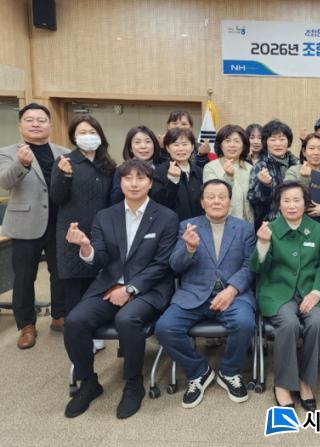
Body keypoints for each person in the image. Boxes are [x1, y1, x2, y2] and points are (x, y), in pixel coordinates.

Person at [63, 159, 178, 419]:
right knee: (75, 321)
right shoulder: (105, 216)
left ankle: (133, 383)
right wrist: (86, 247)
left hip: (149, 289)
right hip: (109, 286)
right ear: (120, 182)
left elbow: (162, 264)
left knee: (127, 319)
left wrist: (131, 289)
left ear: (150, 183)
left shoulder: (166, 217)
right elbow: (100, 259)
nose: (134, 183)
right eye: (128, 178)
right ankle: (88, 382)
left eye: (140, 178)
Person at [155, 179, 256, 408]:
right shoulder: (187, 226)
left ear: (230, 202)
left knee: (244, 323)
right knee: (165, 328)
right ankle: (198, 371)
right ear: (202, 202)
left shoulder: (245, 228)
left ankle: (229, 371)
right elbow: (175, 266)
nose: (216, 201)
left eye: (222, 197)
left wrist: (232, 289)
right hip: (194, 293)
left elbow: (250, 265)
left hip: (233, 294)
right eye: (211, 197)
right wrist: (189, 249)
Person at [250, 181, 320, 411]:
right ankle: (283, 384)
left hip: (311, 291)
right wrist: (262, 244)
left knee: (318, 321)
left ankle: (305, 381)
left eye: (297, 200)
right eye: (286, 201)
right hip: (277, 292)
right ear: (279, 204)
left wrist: (316, 292)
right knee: (289, 323)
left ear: (305, 204)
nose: (292, 205)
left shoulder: (317, 229)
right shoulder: (270, 229)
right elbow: (256, 268)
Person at [0, 103, 68, 348]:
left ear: (50, 125)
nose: (36, 124)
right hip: (25, 223)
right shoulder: (7, 153)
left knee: (60, 274)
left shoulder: (64, 152)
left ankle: (59, 316)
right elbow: (4, 182)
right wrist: (21, 164)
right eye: (29, 120)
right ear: (20, 125)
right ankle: (26, 325)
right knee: (24, 277)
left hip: (58, 223)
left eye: (41, 120)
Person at [51, 115, 116, 321]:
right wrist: (64, 176)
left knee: (98, 284)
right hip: (73, 234)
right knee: (75, 289)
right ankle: (76, 331)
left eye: (92, 132)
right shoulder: (65, 161)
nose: (88, 136)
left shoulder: (108, 165)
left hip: (100, 233)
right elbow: (57, 198)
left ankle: (95, 329)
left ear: (100, 136)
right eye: (82, 132)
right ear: (74, 137)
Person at [248, 119, 300, 229]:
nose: (277, 144)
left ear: (288, 142)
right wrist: (264, 186)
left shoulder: (297, 164)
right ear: (265, 142)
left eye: (282, 139)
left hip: (298, 221)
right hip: (271, 225)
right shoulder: (260, 166)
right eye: (272, 140)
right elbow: (254, 200)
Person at [203, 124, 254, 223]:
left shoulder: (250, 168)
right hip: (222, 222)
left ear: (243, 146)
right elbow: (212, 195)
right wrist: (228, 176)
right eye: (227, 141)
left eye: (237, 141)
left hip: (247, 223)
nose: (232, 145)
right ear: (220, 145)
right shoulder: (210, 167)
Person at [151, 127, 203, 221]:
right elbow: (160, 204)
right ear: (168, 148)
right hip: (172, 226)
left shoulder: (200, 172)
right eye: (176, 145)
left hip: (198, 225)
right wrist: (172, 181)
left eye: (185, 144)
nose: (181, 149)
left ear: (192, 147)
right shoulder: (158, 172)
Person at [284, 132, 320, 220]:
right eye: (311, 148)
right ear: (304, 152)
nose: (316, 153)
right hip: (296, 221)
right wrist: (304, 179)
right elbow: (287, 197)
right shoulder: (293, 171)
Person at [111, 125, 163, 203]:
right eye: (137, 142)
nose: (143, 146)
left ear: (154, 146)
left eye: (148, 142)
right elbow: (115, 200)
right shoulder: (121, 170)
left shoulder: (161, 169)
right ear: (130, 148)